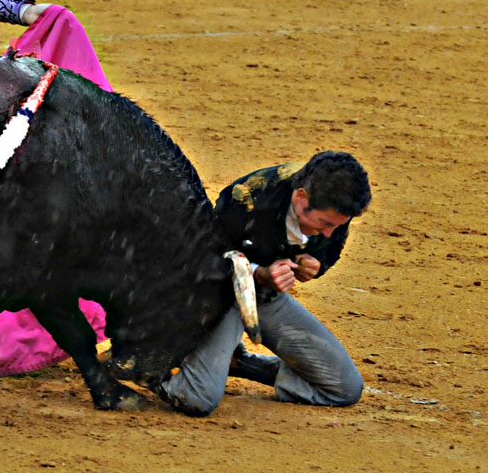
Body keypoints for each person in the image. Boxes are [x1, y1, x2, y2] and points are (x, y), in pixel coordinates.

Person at [155, 150, 372, 416]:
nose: (329, 232)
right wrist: (257, 272)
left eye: (337, 226)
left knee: (343, 388)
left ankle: (240, 363)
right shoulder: (247, 198)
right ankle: (151, 367)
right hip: (216, 294)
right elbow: (202, 259)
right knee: (197, 398)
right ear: (301, 197)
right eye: (324, 223)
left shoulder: (336, 203)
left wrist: (317, 264)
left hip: (264, 298)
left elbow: (329, 248)